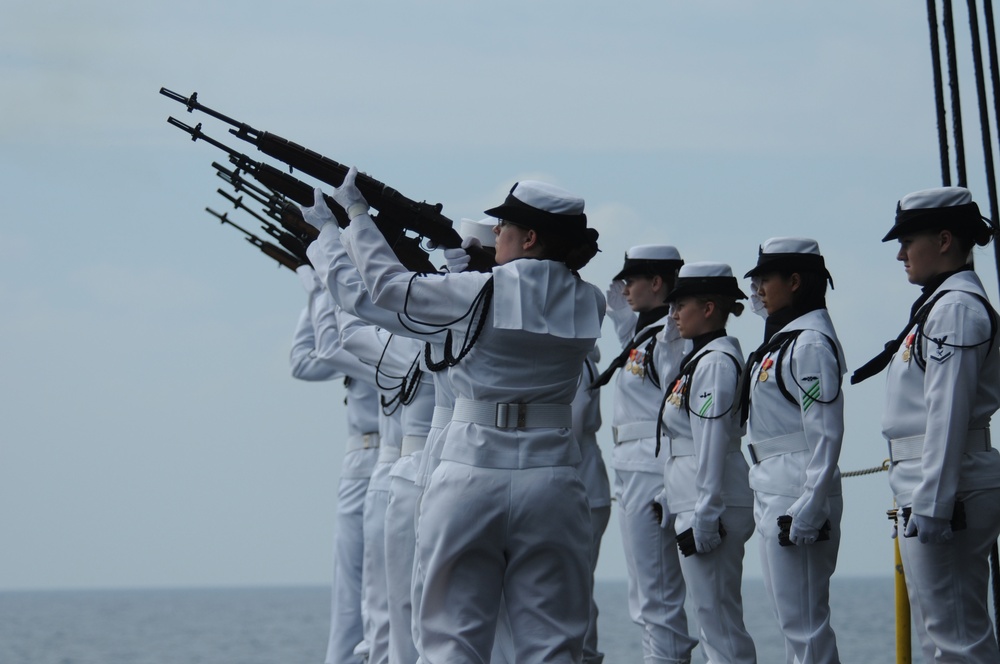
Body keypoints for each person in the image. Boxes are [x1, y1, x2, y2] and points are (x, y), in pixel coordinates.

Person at [326, 170, 604, 663]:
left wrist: (355, 218)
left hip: (471, 476)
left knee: (452, 639)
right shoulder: (590, 300)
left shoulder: (476, 294)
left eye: (504, 228)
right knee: (553, 644)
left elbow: (386, 289)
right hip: (554, 480)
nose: (495, 233)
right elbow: (528, 293)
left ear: (530, 237)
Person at [852, 187, 1000, 663]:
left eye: (908, 240)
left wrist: (935, 505)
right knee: (940, 637)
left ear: (943, 240)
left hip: (947, 486)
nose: (899, 254)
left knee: (957, 636)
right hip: (930, 482)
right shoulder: (939, 306)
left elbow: (948, 411)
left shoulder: (955, 309)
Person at [592, 244, 697, 664]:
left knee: (657, 598)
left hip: (654, 473)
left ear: (657, 283)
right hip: (633, 468)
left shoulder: (669, 338)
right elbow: (616, 307)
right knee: (647, 596)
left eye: (631, 280)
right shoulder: (643, 333)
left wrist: (671, 485)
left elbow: (679, 415)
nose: (623, 289)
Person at [741, 238, 845, 664]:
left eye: (767, 278)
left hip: (797, 487)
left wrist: (811, 504)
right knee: (793, 625)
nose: (759, 289)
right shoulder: (786, 340)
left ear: (796, 281)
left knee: (805, 626)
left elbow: (826, 433)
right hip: (773, 482)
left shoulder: (810, 344)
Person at [656, 262, 757, 664]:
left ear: (710, 308)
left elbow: (711, 443)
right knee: (712, 620)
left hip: (711, 504)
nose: (674, 315)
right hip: (696, 500)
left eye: (681, 305)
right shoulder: (700, 359)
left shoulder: (714, 364)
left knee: (720, 624)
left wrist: (706, 511)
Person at [289, 264, 380, 664]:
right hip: (391, 458)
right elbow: (305, 364)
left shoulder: (359, 329)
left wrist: (319, 294)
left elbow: (308, 358)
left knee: (355, 585)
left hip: (369, 462)